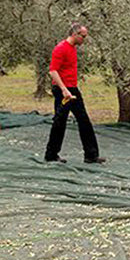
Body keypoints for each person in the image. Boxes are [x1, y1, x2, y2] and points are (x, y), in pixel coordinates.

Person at [44, 22, 105, 164]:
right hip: (63, 90)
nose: (85, 39)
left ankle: (91, 155)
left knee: (84, 120)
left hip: (73, 89)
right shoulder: (60, 49)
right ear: (75, 34)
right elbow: (53, 71)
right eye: (83, 36)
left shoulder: (73, 48)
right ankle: (51, 155)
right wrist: (64, 90)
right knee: (60, 122)